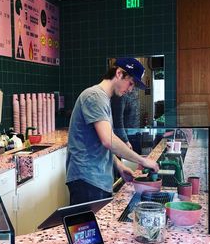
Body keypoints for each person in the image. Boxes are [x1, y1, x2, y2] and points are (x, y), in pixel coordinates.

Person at [66, 57, 159, 205]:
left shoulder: (103, 98)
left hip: (96, 178)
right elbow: (108, 140)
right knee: (87, 221)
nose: (130, 89)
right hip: (87, 179)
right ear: (119, 73)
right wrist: (143, 161)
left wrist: (119, 166)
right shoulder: (94, 96)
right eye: (130, 83)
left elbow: (100, 142)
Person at [111, 89, 142, 154]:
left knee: (137, 159)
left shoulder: (135, 92)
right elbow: (117, 120)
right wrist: (125, 140)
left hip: (136, 135)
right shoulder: (121, 94)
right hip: (125, 138)